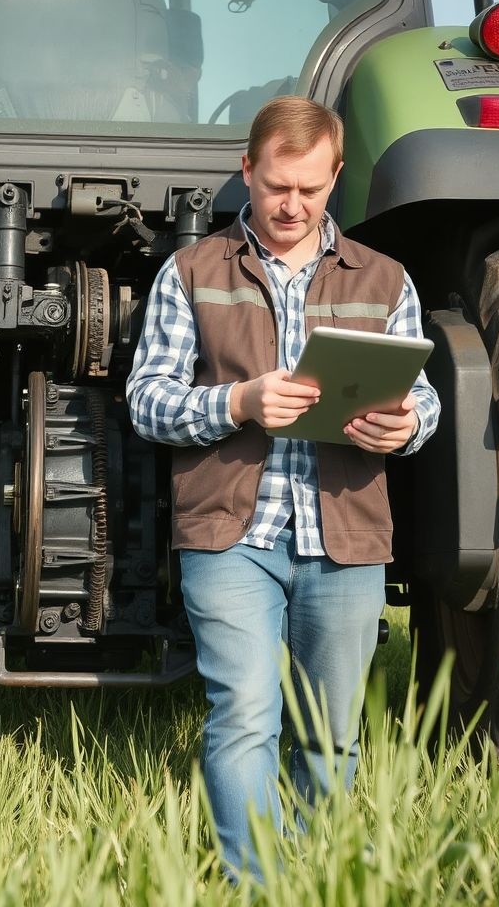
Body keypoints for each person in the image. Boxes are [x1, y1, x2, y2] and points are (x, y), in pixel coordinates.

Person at [125, 95, 440, 882]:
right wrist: (238, 402)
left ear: (336, 177)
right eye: (275, 187)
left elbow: (423, 397)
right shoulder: (190, 272)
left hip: (345, 538)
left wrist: (406, 425)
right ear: (247, 171)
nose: (292, 205)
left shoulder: (386, 279)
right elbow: (147, 401)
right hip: (231, 537)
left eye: (310, 188)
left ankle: (313, 874)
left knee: (331, 736)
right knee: (244, 717)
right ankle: (255, 884)